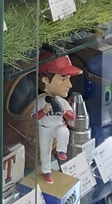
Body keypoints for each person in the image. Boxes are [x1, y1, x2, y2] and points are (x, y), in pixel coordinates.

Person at [33, 53, 83, 183]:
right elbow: (34, 117)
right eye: (63, 79)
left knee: (63, 131)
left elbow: (72, 116)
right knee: (45, 152)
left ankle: (62, 151)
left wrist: (64, 112)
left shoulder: (61, 101)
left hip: (57, 126)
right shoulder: (40, 101)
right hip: (44, 128)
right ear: (45, 79)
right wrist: (44, 111)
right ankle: (46, 172)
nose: (70, 85)